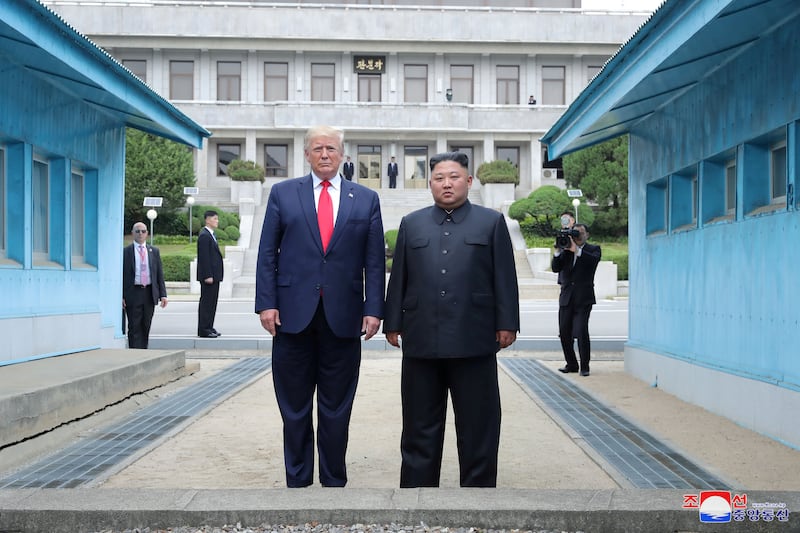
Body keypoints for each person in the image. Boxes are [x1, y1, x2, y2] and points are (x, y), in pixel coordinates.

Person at [255, 125, 386, 488]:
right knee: (294, 408)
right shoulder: (283, 194)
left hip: (344, 319)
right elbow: (268, 253)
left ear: (343, 155)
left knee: (336, 408)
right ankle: (297, 481)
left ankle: (333, 480)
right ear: (307, 155)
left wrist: (373, 308)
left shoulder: (365, 199)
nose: (325, 154)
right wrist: (266, 303)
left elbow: (374, 262)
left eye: (331, 148)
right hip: (291, 317)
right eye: (317, 149)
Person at [383, 151, 520, 488]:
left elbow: (504, 276)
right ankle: (417, 492)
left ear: (469, 181)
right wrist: (392, 321)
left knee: (478, 425)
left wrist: (507, 322)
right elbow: (399, 276)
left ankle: (477, 495)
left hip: (474, 339)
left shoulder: (490, 222)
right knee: (418, 425)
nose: (447, 183)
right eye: (439, 178)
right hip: (421, 341)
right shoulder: (412, 223)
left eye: (454, 177)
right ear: (430, 183)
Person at [552, 216, 601, 377]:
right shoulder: (566, 250)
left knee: (581, 331)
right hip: (566, 297)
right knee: (564, 333)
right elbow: (555, 268)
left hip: (583, 298)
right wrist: (558, 251)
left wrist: (577, 250)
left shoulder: (593, 249)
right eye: (575, 233)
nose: (578, 236)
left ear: (587, 235)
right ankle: (571, 363)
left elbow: (592, 262)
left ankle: (584, 366)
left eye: (581, 233)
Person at [122, 222, 167, 349]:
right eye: (137, 231)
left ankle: (144, 350)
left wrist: (163, 294)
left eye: (143, 231)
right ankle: (134, 352)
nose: (140, 234)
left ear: (147, 233)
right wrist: (121, 295)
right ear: (132, 233)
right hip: (133, 293)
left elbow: (159, 274)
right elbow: (122, 275)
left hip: (149, 292)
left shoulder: (153, 251)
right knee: (134, 325)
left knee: (146, 324)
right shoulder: (126, 252)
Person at [197, 210, 224, 338]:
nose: (216, 221)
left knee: (212, 302)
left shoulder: (211, 235)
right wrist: (208, 275)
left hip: (215, 276)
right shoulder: (204, 235)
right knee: (207, 302)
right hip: (209, 277)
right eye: (214, 219)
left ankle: (209, 326)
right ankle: (203, 329)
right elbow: (204, 257)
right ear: (207, 220)